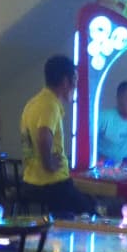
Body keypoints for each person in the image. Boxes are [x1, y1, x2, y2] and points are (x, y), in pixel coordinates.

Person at [20, 55, 97, 216]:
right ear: (65, 81)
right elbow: (44, 135)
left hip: (30, 179)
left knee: (87, 202)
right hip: (52, 183)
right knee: (91, 212)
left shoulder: (33, 103)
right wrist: (48, 163)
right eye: (74, 80)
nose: (76, 86)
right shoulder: (51, 104)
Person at [97, 80, 127, 163]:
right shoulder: (104, 117)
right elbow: (84, 139)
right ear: (119, 99)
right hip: (103, 168)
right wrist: (99, 158)